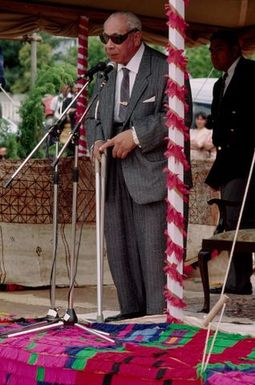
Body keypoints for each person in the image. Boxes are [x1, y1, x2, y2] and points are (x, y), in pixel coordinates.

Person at [86, 11, 192, 322]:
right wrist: (96, 141)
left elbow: (177, 116)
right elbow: (93, 116)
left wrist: (134, 136)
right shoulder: (106, 74)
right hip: (113, 172)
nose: (109, 45)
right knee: (119, 246)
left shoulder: (165, 69)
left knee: (153, 250)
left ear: (136, 36)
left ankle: (157, 318)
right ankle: (129, 313)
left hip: (152, 173)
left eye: (116, 38)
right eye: (104, 38)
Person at [205, 30, 255, 295]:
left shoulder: (251, 73)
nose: (214, 54)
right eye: (211, 49)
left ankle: (239, 281)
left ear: (236, 48)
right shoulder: (218, 84)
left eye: (219, 48)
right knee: (233, 221)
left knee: (240, 222)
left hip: (247, 160)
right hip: (228, 159)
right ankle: (239, 280)